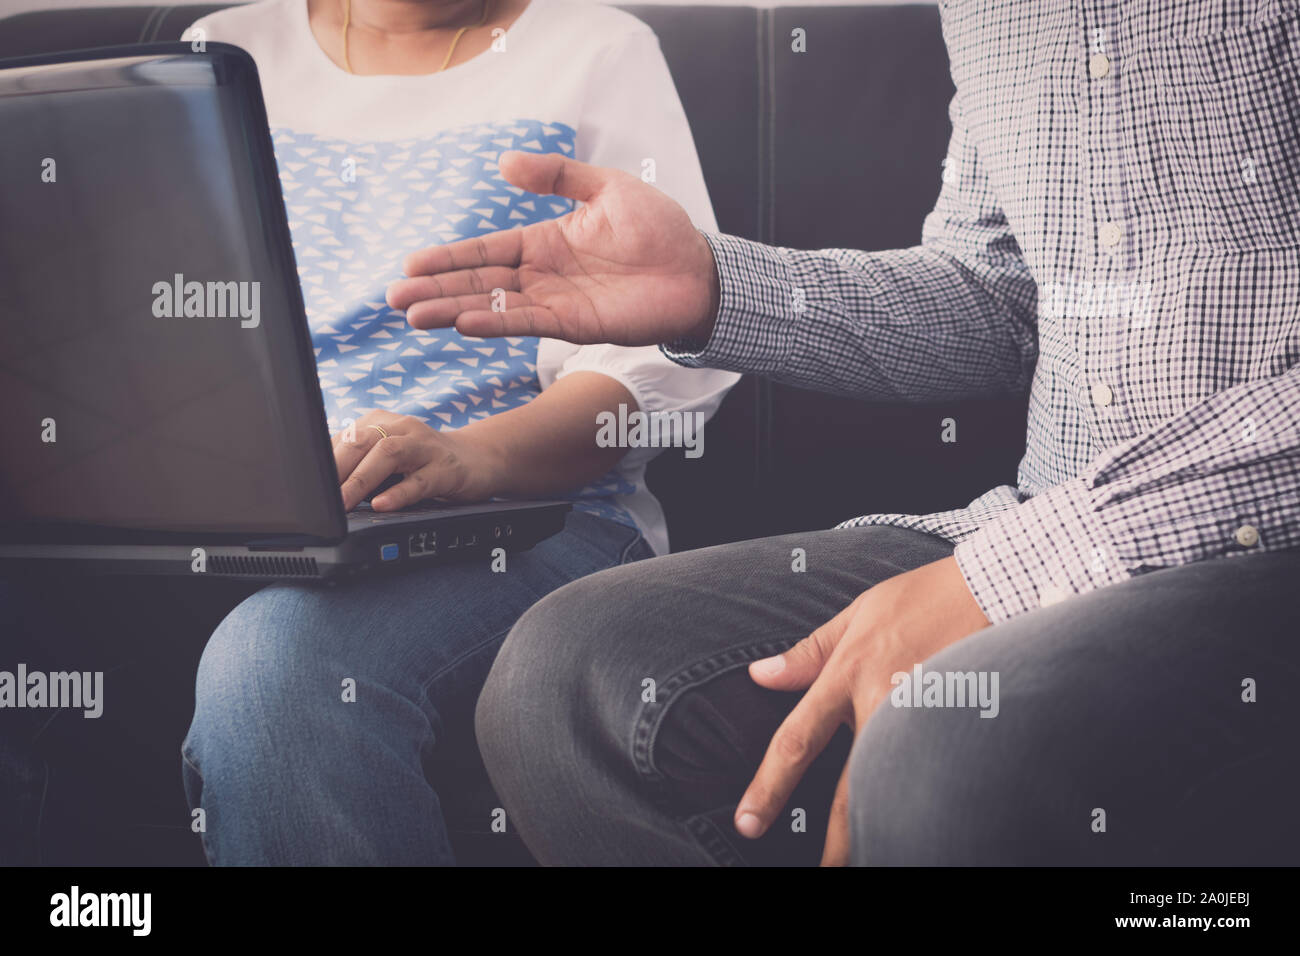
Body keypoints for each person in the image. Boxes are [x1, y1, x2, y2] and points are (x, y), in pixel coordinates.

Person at [389, 0, 1300, 865]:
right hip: (1030, 517)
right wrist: (715, 288)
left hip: (1263, 546)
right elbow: (998, 297)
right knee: (564, 685)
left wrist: (1006, 576)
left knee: (946, 747)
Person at [0, 0, 731, 867]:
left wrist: (476, 456)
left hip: (537, 517)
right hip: (246, 514)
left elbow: (670, 358)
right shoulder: (225, 49)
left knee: (280, 670)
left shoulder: (596, 49)